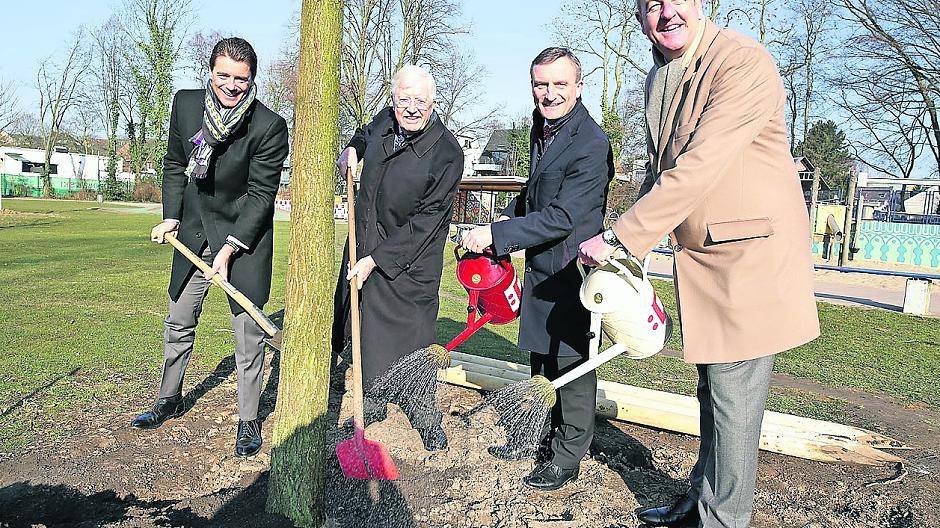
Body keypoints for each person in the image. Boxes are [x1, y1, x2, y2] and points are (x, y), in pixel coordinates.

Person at [578, 1, 820, 526]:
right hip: (706, 259)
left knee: (732, 396)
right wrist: (620, 239)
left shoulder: (742, 63)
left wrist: (623, 237)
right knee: (713, 389)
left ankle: (723, 518)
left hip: (749, 256)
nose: (665, 12)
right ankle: (701, 503)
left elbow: (700, 163)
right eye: (650, 4)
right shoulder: (659, 76)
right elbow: (662, 170)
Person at [461, 47, 613, 491]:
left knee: (571, 366)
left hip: (572, 270)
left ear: (579, 87)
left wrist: (495, 235)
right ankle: (538, 435)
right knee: (539, 357)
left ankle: (567, 456)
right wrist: (508, 215)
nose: (549, 94)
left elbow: (565, 216)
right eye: (541, 85)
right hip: (540, 267)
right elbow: (536, 191)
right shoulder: (542, 126)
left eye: (559, 84)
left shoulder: (591, 142)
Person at [133, 37, 289, 459]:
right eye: (224, 75)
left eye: (241, 79)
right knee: (179, 319)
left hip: (244, 236)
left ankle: (248, 419)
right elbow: (172, 163)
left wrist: (229, 250)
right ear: (210, 71)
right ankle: (169, 398)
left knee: (248, 333)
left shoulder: (268, 126)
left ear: (252, 79)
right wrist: (171, 215)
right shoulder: (185, 105)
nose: (232, 86)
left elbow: (261, 195)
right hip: (196, 230)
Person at [332, 65, 463, 451]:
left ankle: (423, 413)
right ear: (393, 99)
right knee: (367, 332)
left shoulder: (447, 154)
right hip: (366, 243)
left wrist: (376, 260)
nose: (410, 108)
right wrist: (352, 148)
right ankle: (370, 402)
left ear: (433, 103)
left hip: (411, 263)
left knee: (413, 345)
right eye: (403, 99)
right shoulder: (385, 123)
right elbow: (364, 132)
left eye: (419, 101)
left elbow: (425, 223)